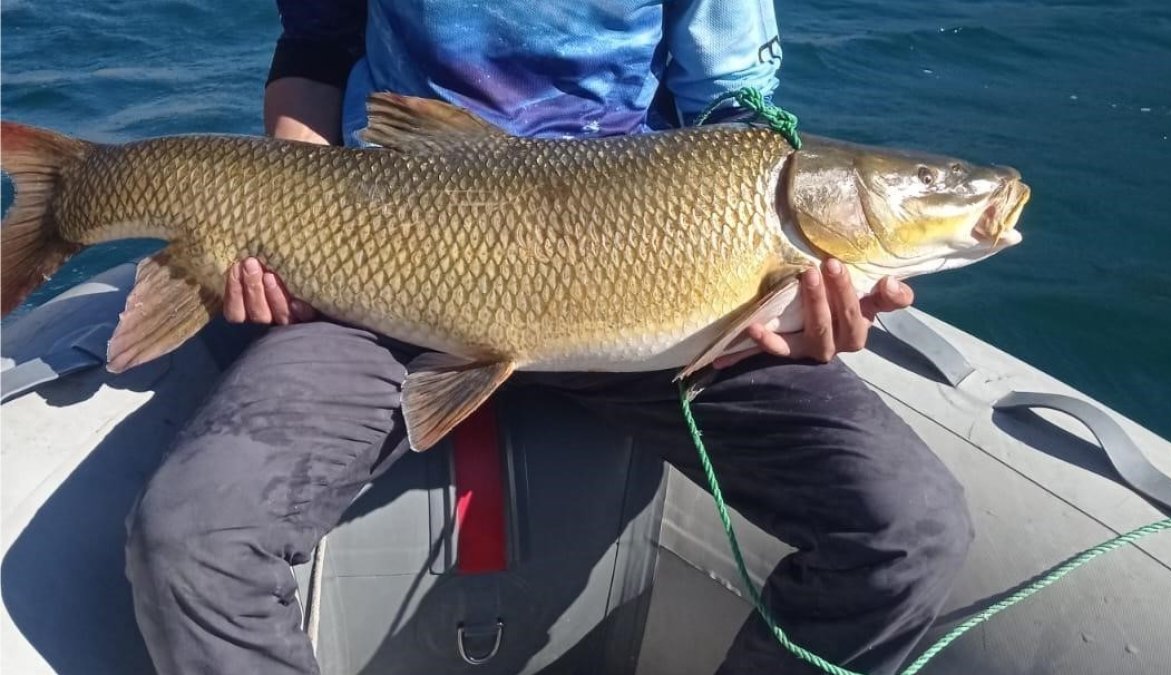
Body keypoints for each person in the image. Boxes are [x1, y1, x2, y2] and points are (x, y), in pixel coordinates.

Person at [124, 1, 973, 673]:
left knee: (912, 528)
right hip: (390, 268)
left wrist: (779, 288)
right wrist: (290, 234)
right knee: (192, 542)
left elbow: (733, 107)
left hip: (653, 278)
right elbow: (316, 41)